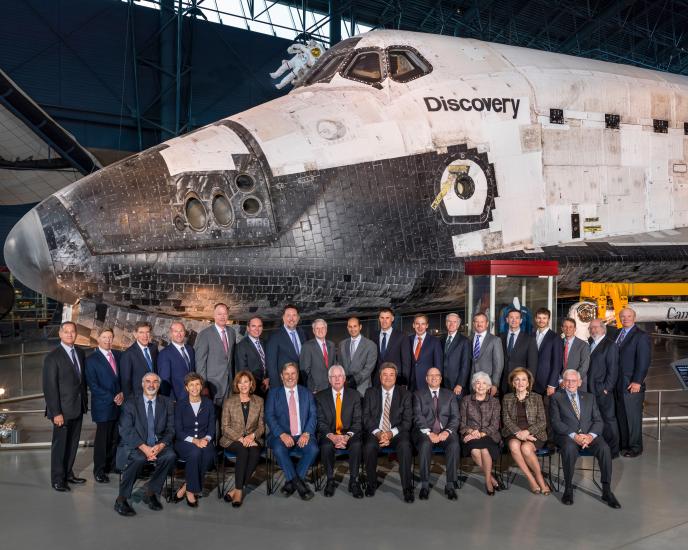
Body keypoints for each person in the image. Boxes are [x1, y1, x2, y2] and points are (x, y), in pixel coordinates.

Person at [550, 369, 621, 508]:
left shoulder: (589, 397)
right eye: (567, 380)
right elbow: (556, 422)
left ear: (580, 382)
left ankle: (606, 490)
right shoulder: (556, 397)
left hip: (589, 435)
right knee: (569, 448)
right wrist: (574, 436)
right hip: (567, 435)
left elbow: (598, 421)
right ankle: (568, 489)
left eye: (574, 380)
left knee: (605, 449)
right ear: (563, 383)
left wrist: (589, 436)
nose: (570, 383)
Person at [114, 372, 176, 516]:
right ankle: (121, 498)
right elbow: (126, 429)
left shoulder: (166, 403)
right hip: (136, 445)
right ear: (142, 384)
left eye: (155, 382)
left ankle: (151, 493)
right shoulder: (130, 403)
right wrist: (145, 448)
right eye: (148, 381)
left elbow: (171, 429)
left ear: (159, 385)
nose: (151, 385)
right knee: (138, 458)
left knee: (170, 456)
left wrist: (160, 446)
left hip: (157, 445)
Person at [43, 321, 88, 492]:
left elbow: (80, 382)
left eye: (72, 332)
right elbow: (50, 388)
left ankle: (68, 473)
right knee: (60, 445)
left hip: (78, 407)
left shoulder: (80, 353)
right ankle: (57, 479)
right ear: (60, 334)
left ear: (76, 334)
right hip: (62, 411)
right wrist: (56, 413)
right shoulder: (52, 357)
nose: (70, 334)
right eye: (66, 332)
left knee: (73, 443)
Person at [264, 362, 317, 500]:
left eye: (293, 373)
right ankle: (299, 484)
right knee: (279, 449)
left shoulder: (306, 393)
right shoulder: (274, 393)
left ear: (298, 375)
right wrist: (281, 434)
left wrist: (306, 433)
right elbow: (269, 416)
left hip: (302, 434)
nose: (290, 377)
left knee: (313, 449)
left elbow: (313, 415)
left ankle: (291, 482)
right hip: (281, 434)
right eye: (286, 374)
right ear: (281, 376)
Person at [362, 362, 414, 502]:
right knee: (369, 447)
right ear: (380, 376)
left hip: (397, 432)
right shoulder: (370, 392)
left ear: (396, 377)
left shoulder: (405, 394)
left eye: (391, 375)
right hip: (376, 431)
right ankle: (371, 484)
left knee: (404, 446)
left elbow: (407, 421)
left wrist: (390, 433)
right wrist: (379, 433)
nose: (388, 378)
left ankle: (407, 488)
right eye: (385, 374)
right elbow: (366, 418)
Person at [315, 364, 364, 498]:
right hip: (329, 433)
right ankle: (330, 480)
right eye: (333, 377)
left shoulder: (355, 395)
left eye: (340, 376)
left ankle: (354, 481)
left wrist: (346, 437)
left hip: (349, 433)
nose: (337, 379)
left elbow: (358, 421)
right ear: (329, 380)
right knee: (325, 446)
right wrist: (333, 437)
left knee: (356, 444)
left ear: (344, 379)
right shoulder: (320, 396)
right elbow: (320, 421)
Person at [412, 368, 460, 500]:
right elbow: (417, 416)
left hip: (445, 432)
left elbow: (455, 417)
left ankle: (450, 484)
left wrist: (446, 432)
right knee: (425, 445)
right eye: (430, 375)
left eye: (437, 375)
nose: (434, 378)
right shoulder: (418, 394)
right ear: (426, 379)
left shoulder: (450, 395)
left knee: (454, 445)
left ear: (441, 379)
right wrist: (429, 433)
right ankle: (425, 485)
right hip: (425, 432)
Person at [219, 370, 265, 507]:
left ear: (251, 383)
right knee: (243, 451)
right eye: (240, 382)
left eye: (246, 381)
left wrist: (252, 436)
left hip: (252, 438)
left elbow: (262, 426)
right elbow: (224, 427)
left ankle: (236, 489)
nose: (243, 385)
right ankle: (239, 491)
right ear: (237, 385)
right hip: (232, 439)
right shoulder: (229, 402)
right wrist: (240, 438)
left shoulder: (259, 401)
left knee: (255, 452)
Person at [501, 368, 550, 495]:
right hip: (513, 433)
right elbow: (506, 419)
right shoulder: (507, 398)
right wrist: (519, 433)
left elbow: (542, 421)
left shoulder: (537, 397)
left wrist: (527, 433)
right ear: (513, 383)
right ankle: (531, 479)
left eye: (524, 379)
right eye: (517, 379)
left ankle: (539, 477)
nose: (520, 382)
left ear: (528, 383)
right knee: (513, 445)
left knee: (526, 449)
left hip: (534, 434)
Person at [85, 327, 123, 483]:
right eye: (104, 337)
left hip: (119, 403)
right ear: (98, 339)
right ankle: (99, 470)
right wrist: (113, 397)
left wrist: (122, 394)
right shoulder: (91, 360)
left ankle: (111, 465)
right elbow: (93, 385)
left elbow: (123, 378)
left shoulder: (119, 355)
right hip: (103, 405)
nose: (108, 340)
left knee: (115, 437)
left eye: (110, 337)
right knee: (102, 440)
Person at [172, 372, 216, 508]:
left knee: (209, 454)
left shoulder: (208, 404)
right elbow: (178, 431)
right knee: (195, 453)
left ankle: (187, 486)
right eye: (191, 385)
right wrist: (195, 441)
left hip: (204, 440)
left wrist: (206, 440)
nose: (195, 388)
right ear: (186, 388)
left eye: (197, 384)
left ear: (201, 386)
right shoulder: (180, 405)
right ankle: (192, 492)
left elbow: (211, 428)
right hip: (184, 442)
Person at [615, 307, 651, 457]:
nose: (626, 319)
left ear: (634, 318)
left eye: (629, 316)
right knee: (622, 416)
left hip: (632, 383)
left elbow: (644, 361)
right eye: (623, 316)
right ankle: (624, 445)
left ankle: (635, 447)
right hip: (617, 383)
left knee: (633, 417)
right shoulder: (618, 334)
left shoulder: (641, 336)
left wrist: (637, 381)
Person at [460, 371, 503, 496]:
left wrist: (482, 433)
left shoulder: (494, 402)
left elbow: (495, 425)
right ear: (474, 386)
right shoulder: (466, 400)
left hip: (489, 435)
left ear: (489, 387)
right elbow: (461, 422)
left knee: (484, 450)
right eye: (478, 383)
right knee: (475, 451)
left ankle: (488, 481)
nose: (481, 386)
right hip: (471, 434)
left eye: (484, 383)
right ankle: (491, 479)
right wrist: (471, 431)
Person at [195, 303, 235, 414]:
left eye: (225, 314)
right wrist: (203, 386)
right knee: (213, 416)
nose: (223, 317)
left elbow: (230, 360)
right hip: (212, 386)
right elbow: (200, 363)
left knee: (228, 416)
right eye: (219, 314)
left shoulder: (231, 333)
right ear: (214, 315)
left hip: (229, 384)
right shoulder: (204, 335)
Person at [588, 319, 620, 457]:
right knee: (596, 420)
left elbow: (613, 369)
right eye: (591, 328)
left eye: (595, 327)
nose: (593, 330)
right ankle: (600, 448)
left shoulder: (610, 345)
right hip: (590, 389)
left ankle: (613, 451)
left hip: (602, 389)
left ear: (603, 328)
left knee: (608, 419)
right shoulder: (590, 343)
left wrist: (607, 388)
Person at [265, 304, 307, 388]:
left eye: (294, 315)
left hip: (303, 384)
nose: (291, 319)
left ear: (298, 318)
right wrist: (277, 388)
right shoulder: (274, 337)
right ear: (283, 318)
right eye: (288, 315)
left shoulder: (303, 334)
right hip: (284, 384)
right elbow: (271, 366)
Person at [500, 309, 538, 395]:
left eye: (517, 318)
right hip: (503, 384)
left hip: (521, 385)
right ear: (507, 320)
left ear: (521, 321)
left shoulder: (529, 339)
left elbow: (532, 364)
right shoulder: (500, 337)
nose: (514, 320)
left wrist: (528, 383)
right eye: (511, 317)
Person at [158, 321, 195, 402]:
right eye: (176, 331)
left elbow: (193, 373)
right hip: (176, 399)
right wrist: (171, 400)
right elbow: (164, 380)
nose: (179, 334)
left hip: (192, 396)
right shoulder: (165, 353)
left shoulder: (190, 350)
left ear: (185, 332)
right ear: (171, 334)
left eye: (181, 331)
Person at [340, 316, 377, 396]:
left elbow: (369, 368)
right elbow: (340, 364)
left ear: (360, 327)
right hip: (345, 387)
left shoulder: (370, 345)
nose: (352, 329)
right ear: (347, 327)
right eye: (350, 326)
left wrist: (354, 379)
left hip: (362, 388)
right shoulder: (342, 344)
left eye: (355, 326)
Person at [120, 321, 158, 399]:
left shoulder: (154, 348)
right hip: (138, 398)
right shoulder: (128, 354)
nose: (145, 336)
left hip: (154, 395)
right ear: (135, 334)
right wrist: (130, 402)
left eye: (147, 332)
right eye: (141, 332)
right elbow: (126, 381)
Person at [374, 308, 411, 386]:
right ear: (379, 319)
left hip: (396, 380)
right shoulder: (373, 336)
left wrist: (404, 381)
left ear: (392, 319)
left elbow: (406, 361)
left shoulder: (402, 336)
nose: (384, 321)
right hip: (378, 380)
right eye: (382, 318)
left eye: (387, 318)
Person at [470, 313, 503, 397]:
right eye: (476, 321)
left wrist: (495, 384)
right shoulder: (468, 339)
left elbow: (498, 364)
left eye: (482, 321)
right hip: (471, 382)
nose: (479, 324)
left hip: (487, 383)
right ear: (473, 323)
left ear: (487, 323)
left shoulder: (495, 340)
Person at [234, 316, 269, 396]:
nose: (257, 329)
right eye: (253, 326)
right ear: (248, 328)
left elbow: (270, 362)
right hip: (253, 389)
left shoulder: (265, 343)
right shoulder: (241, 346)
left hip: (268, 387)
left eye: (259, 326)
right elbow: (243, 370)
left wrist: (268, 379)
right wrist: (260, 384)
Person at [408, 314, 443, 392]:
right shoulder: (407, 340)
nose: (420, 327)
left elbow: (438, 365)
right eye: (417, 324)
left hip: (427, 382)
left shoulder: (435, 341)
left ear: (427, 325)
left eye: (423, 324)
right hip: (410, 383)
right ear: (413, 325)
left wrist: (436, 383)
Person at [301, 319, 337, 393]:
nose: (320, 330)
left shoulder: (332, 345)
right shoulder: (307, 346)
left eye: (322, 328)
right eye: (317, 328)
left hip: (331, 387)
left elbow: (334, 365)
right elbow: (304, 370)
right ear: (313, 331)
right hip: (316, 390)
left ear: (326, 330)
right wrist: (313, 387)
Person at [532, 308, 562, 396]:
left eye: (544, 318)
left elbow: (557, 363)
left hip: (546, 383)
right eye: (539, 318)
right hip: (531, 381)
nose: (541, 320)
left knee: (546, 408)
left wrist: (552, 384)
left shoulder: (555, 337)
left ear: (548, 319)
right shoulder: (531, 336)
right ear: (535, 319)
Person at [442, 313, 470, 402]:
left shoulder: (464, 341)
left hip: (456, 385)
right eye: (449, 321)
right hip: (442, 383)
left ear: (458, 325)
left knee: (457, 410)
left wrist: (460, 384)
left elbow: (465, 364)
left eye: (454, 322)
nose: (451, 324)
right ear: (446, 323)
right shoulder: (441, 340)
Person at [561, 317, 590, 390]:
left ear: (575, 329)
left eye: (571, 327)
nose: (568, 329)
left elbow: (584, 367)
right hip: (561, 384)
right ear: (562, 328)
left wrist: (572, 381)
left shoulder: (583, 345)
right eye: (565, 326)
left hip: (577, 384)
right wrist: (561, 380)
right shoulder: (558, 343)